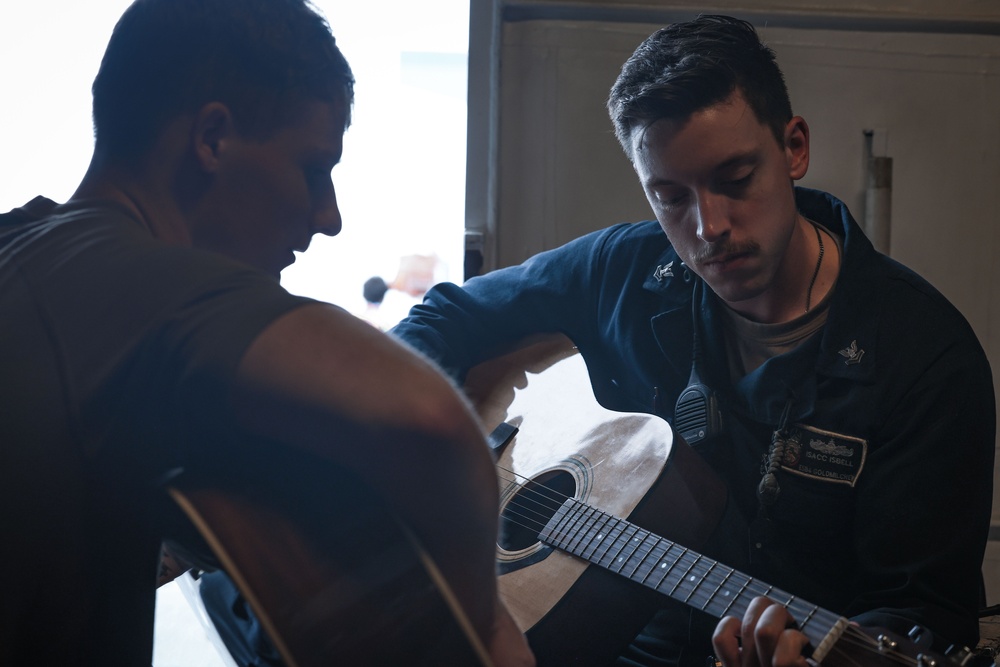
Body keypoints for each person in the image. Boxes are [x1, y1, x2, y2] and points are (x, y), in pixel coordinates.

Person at [391, 14, 996, 667]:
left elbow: (922, 613)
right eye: (670, 196)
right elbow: (446, 315)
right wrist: (409, 434)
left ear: (794, 147)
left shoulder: (926, 358)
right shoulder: (624, 268)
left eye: (735, 179)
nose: (708, 227)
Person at [0, 1, 533, 665]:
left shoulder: (25, 250)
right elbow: (426, 417)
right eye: (314, 168)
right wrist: (480, 632)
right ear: (213, 139)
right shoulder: (140, 280)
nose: (328, 216)